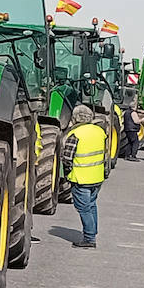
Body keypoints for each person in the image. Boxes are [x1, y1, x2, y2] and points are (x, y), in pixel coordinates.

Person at [62, 105, 107, 248]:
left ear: (75, 118)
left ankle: (89, 238)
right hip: (97, 177)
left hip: (81, 178)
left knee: (84, 208)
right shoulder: (100, 131)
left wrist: (67, 173)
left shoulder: (75, 134)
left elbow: (67, 158)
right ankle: (93, 231)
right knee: (92, 205)